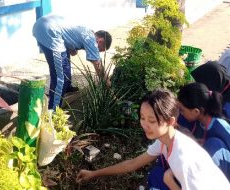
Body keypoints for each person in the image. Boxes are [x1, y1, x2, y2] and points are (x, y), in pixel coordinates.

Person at [76, 89, 230, 189]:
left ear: (170, 121)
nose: (145, 125)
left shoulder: (183, 157)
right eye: (142, 118)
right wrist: (93, 174)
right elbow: (133, 163)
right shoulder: (165, 141)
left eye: (152, 120)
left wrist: (169, 181)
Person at [33, 14, 112, 110]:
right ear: (100, 41)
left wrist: (73, 48)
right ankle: (53, 111)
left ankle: (66, 88)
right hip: (50, 32)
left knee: (62, 63)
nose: (97, 51)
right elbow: (98, 65)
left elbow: (71, 47)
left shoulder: (86, 31)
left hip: (41, 26)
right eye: (100, 49)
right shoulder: (91, 39)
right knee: (61, 76)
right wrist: (108, 84)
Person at [178, 82, 230, 181]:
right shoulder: (203, 122)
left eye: (182, 110)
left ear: (196, 111)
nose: (181, 114)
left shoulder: (220, 127)